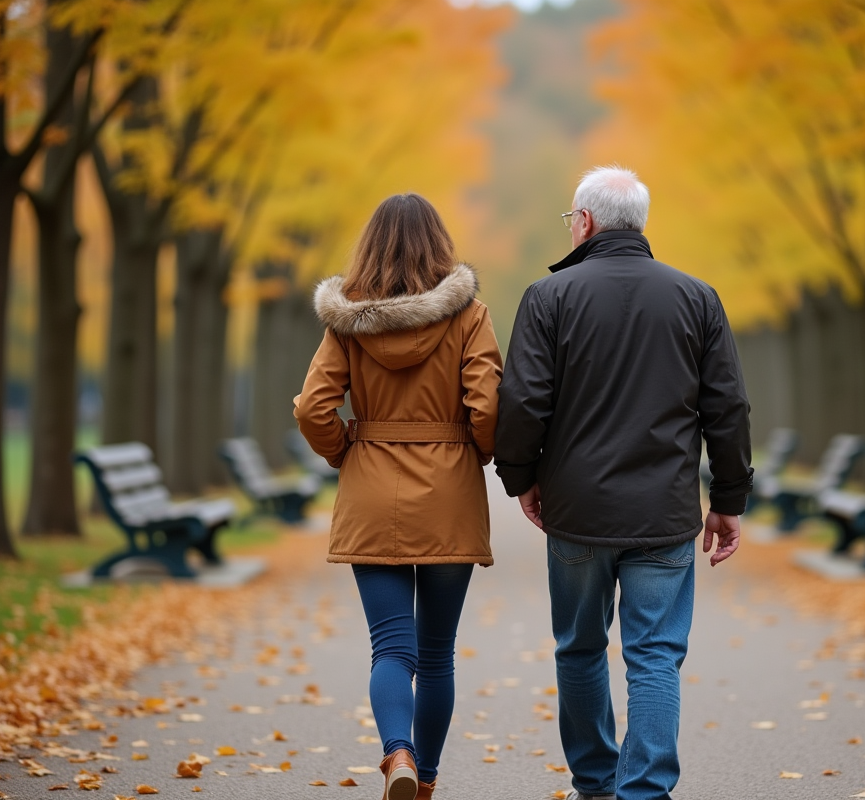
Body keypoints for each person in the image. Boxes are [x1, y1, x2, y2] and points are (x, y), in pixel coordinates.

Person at [494, 166, 753, 800]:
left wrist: (521, 478)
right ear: (639, 223)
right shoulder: (697, 297)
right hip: (664, 511)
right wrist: (728, 501)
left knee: (580, 648)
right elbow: (728, 408)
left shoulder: (547, 298)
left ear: (583, 222)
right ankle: (646, 791)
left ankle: (595, 781)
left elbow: (524, 401)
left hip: (576, 509)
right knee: (656, 655)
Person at [295, 192, 503, 800]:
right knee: (436, 654)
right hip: (449, 491)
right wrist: (477, 453)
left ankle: (397, 754)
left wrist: (344, 450)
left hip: (370, 487)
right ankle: (428, 780)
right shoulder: (470, 316)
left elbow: (313, 407)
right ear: (440, 246)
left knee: (391, 645)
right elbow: (486, 405)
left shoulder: (347, 321)